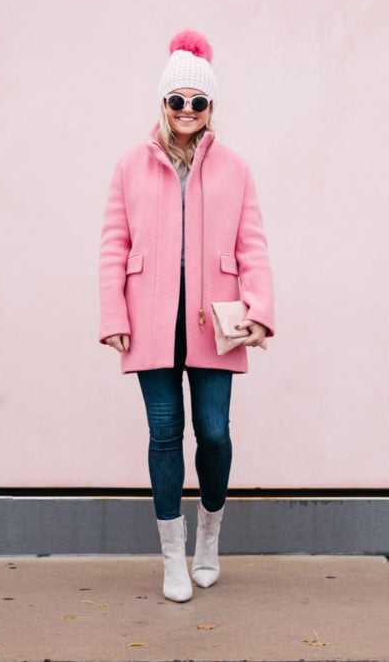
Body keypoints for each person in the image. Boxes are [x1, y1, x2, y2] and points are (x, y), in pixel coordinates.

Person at [99, 30, 275, 602]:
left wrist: (260, 311)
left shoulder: (234, 167)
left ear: (210, 108)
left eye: (197, 102)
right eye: (177, 101)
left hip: (214, 323)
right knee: (164, 433)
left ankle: (208, 539)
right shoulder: (131, 165)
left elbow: (252, 245)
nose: (186, 112)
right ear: (163, 103)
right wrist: (113, 314)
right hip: (149, 320)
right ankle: (172, 559)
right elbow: (112, 243)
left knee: (216, 435)